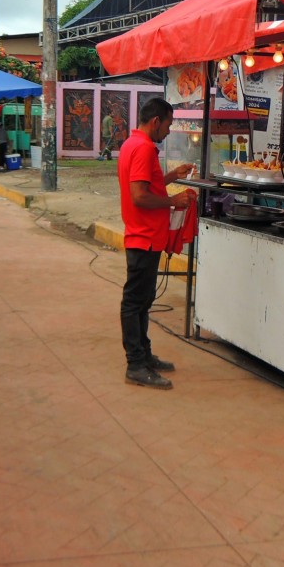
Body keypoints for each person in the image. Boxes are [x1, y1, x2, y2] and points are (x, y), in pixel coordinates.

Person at [118, 97, 196, 390]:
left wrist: (171, 177)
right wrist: (172, 200)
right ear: (155, 122)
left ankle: (144, 356)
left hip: (147, 237)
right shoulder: (142, 148)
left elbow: (145, 185)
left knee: (142, 302)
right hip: (143, 237)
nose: (168, 130)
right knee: (135, 302)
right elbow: (139, 196)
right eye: (168, 125)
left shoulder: (133, 144)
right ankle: (135, 364)